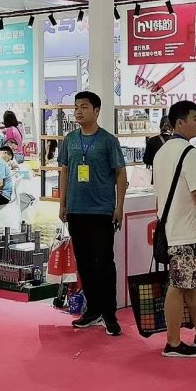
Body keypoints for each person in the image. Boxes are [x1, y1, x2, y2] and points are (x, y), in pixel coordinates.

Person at [58, 91, 127, 336]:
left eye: (84, 107)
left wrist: (119, 207)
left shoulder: (108, 140)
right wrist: (62, 204)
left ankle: (109, 313)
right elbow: (64, 171)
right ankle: (93, 310)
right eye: (76, 107)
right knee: (85, 263)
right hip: (76, 210)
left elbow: (120, 174)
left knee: (104, 263)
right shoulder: (69, 140)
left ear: (96, 111)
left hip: (102, 211)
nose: (78, 111)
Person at [154, 100, 196, 358]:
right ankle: (173, 342)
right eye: (194, 118)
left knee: (191, 284)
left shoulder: (162, 152)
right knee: (179, 286)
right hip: (186, 230)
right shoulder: (190, 153)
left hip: (171, 228)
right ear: (179, 123)